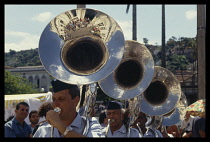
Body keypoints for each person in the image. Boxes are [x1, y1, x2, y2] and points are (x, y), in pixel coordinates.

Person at [33, 79, 101, 137]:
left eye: (61, 99)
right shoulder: (43, 129)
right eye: (54, 100)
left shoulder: (91, 124)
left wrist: (60, 126)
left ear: (75, 101)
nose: (55, 104)